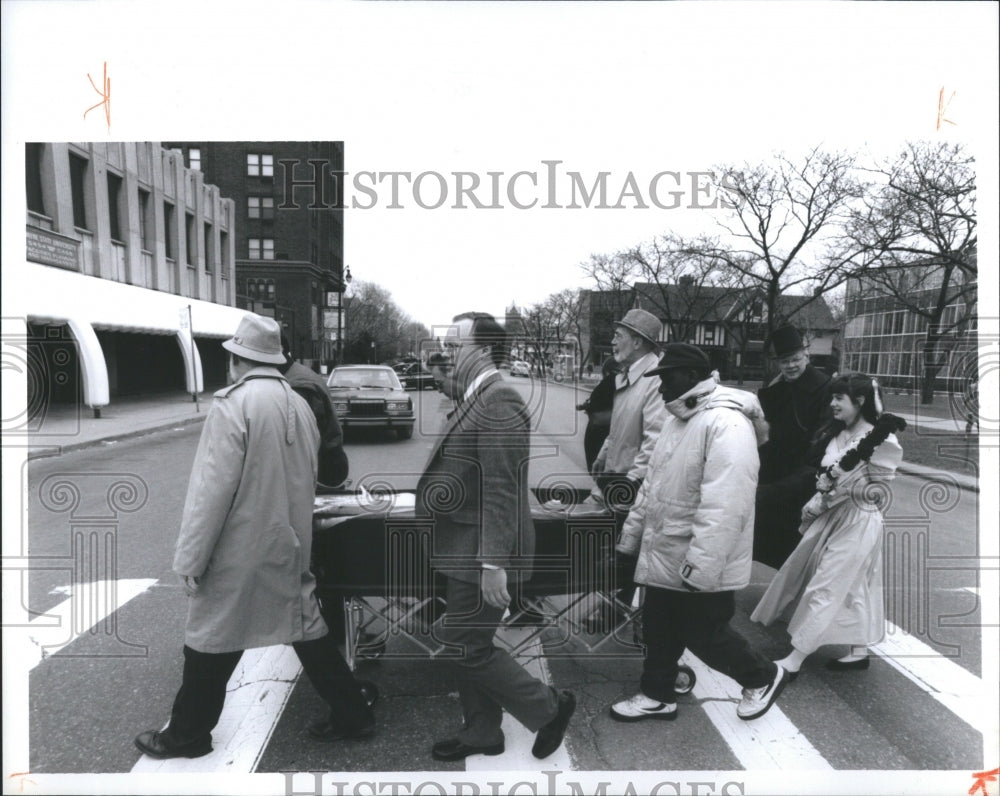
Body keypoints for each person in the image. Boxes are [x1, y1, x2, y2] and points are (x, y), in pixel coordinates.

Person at [134, 314, 375, 760]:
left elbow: (211, 492)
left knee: (209, 640)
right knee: (305, 631)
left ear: (237, 359)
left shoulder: (234, 404)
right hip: (290, 542)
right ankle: (352, 714)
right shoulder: (299, 404)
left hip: (238, 549)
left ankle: (187, 734)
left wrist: (190, 559)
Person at [416, 312, 575, 762]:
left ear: (483, 351)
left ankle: (550, 708)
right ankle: (483, 732)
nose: (448, 354)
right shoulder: (477, 395)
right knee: (471, 644)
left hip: (478, 550)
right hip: (461, 546)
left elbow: (502, 488)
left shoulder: (498, 399)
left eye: (455, 347)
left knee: (463, 647)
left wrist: (492, 563)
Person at [609, 343, 788, 724]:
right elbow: (652, 486)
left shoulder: (727, 424)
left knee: (705, 633)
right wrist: (631, 537)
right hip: (667, 550)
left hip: (699, 557)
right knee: (658, 628)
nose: (660, 388)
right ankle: (657, 695)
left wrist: (702, 568)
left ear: (692, 376)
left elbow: (727, 506)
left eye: (666, 377)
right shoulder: (679, 419)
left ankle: (764, 676)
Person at [751, 373, 904, 676]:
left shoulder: (882, 440)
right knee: (849, 584)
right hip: (830, 517)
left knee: (827, 585)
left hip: (858, 521)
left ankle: (796, 658)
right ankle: (858, 649)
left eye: (839, 398)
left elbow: (880, 492)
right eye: (832, 397)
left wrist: (844, 488)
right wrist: (825, 491)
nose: (832, 403)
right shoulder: (837, 435)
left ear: (859, 402)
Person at [754, 324, 833, 569]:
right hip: (775, 469)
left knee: (796, 545)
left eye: (796, 359)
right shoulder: (778, 388)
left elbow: (823, 436)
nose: (790, 366)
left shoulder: (824, 388)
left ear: (806, 356)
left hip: (803, 472)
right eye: (784, 361)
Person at [591, 308, 667, 504]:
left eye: (618, 336)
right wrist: (603, 455)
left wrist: (629, 486)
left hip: (633, 495)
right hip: (614, 484)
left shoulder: (656, 380)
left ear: (636, 342)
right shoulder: (627, 376)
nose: (612, 342)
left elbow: (654, 442)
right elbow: (619, 428)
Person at [279, 334, 349, 492]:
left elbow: (297, 445)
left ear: (279, 350)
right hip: (327, 466)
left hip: (311, 476)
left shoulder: (295, 386)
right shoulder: (302, 376)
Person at [577, 357, 621, 474]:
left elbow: (598, 403)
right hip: (607, 429)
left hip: (600, 430)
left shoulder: (610, 381)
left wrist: (588, 406)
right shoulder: (620, 382)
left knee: (597, 467)